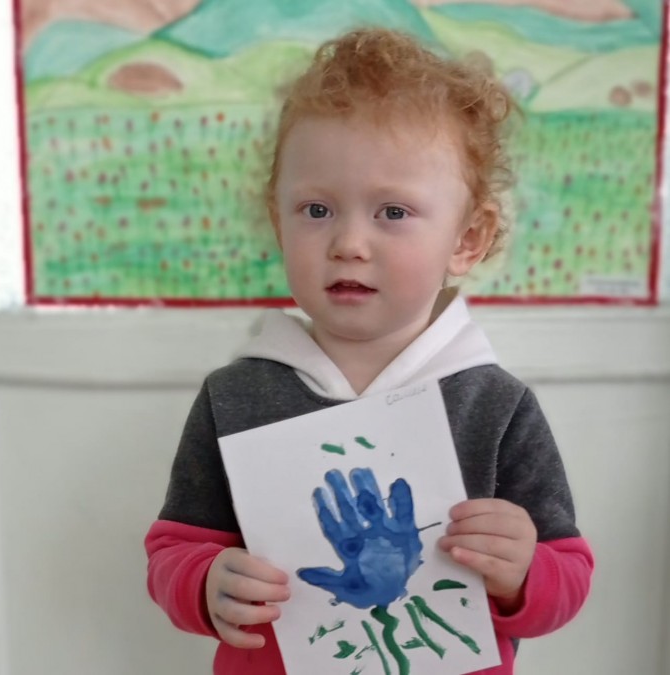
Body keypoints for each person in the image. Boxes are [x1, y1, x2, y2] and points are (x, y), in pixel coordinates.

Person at [145, 27, 594, 675]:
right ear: (278, 221)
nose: (349, 243)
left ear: (467, 239)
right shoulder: (233, 397)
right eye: (316, 210)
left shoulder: (496, 405)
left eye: (392, 212)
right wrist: (204, 583)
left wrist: (524, 572)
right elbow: (173, 550)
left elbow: (567, 577)